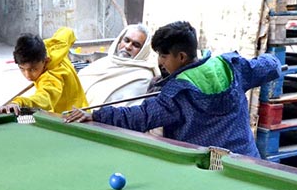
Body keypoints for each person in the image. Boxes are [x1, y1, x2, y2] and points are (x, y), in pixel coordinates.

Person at [64, 21, 282, 157]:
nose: (160, 62)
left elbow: (139, 117)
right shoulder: (231, 66)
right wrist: (271, 60)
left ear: (181, 57)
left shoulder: (177, 93)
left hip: (206, 170)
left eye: (164, 56)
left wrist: (95, 115)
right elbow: (269, 65)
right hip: (247, 162)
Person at [0, 27, 87, 114]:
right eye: (22, 69)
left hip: (74, 118)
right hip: (75, 110)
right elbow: (67, 31)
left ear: (46, 61)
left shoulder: (52, 76)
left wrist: (20, 102)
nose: (28, 75)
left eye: (32, 69)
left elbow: (44, 98)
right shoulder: (54, 46)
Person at [77, 24, 159, 107]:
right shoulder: (100, 64)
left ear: (143, 51)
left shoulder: (143, 76)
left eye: (136, 45)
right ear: (119, 41)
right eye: (126, 40)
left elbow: (127, 110)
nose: (128, 47)